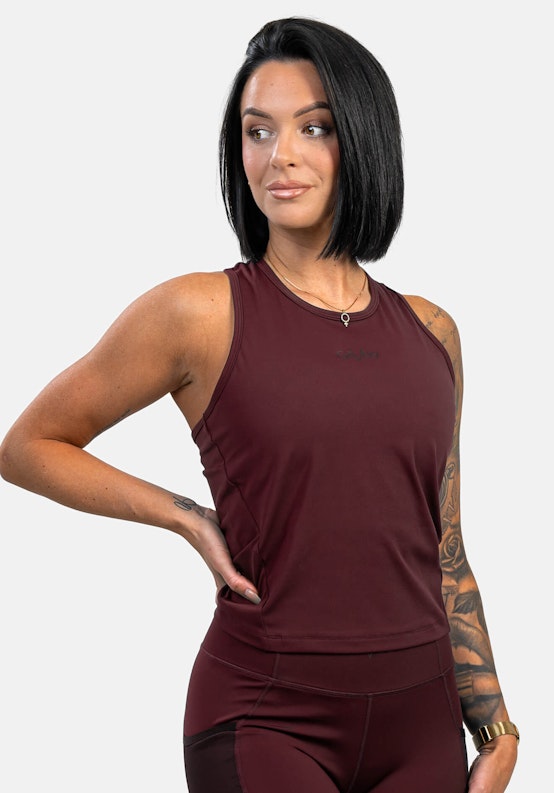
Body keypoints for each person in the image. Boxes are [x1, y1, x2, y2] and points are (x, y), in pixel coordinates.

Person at [0, 16, 518, 793]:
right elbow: (29, 445)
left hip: (422, 722)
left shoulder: (432, 331)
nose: (281, 155)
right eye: (257, 130)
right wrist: (186, 517)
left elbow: (443, 547)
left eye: (315, 127)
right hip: (268, 713)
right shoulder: (200, 313)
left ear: (363, 138)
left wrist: (496, 721)